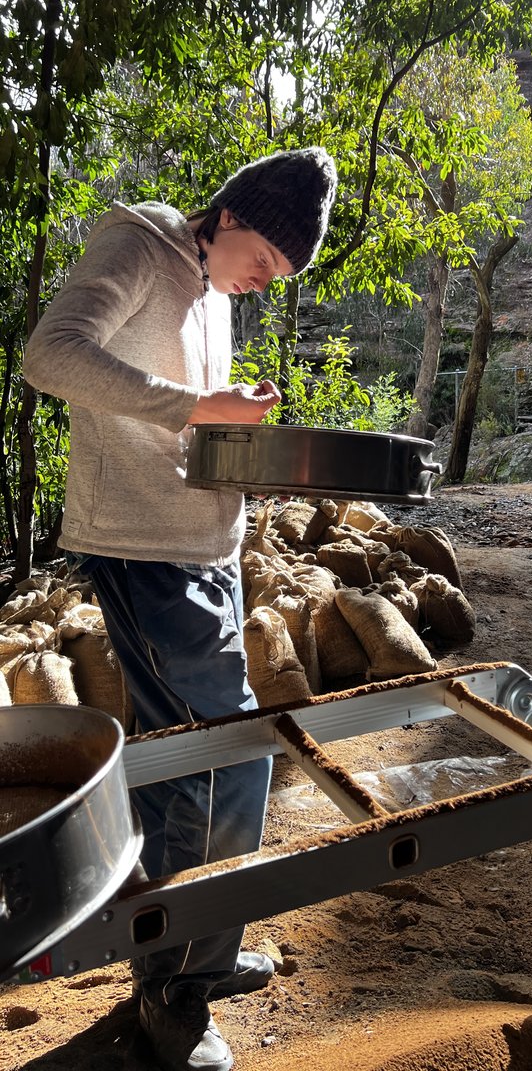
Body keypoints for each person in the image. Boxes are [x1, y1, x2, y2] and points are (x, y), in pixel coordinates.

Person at [23, 146, 337, 1071]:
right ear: (233, 214)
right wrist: (197, 409)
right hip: (143, 549)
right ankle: (174, 997)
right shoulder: (140, 243)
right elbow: (50, 356)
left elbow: (195, 426)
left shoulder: (214, 287)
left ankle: (196, 948)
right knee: (216, 766)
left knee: (208, 765)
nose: (262, 283)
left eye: (279, 277)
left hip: (203, 551)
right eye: (266, 263)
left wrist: (245, 446)